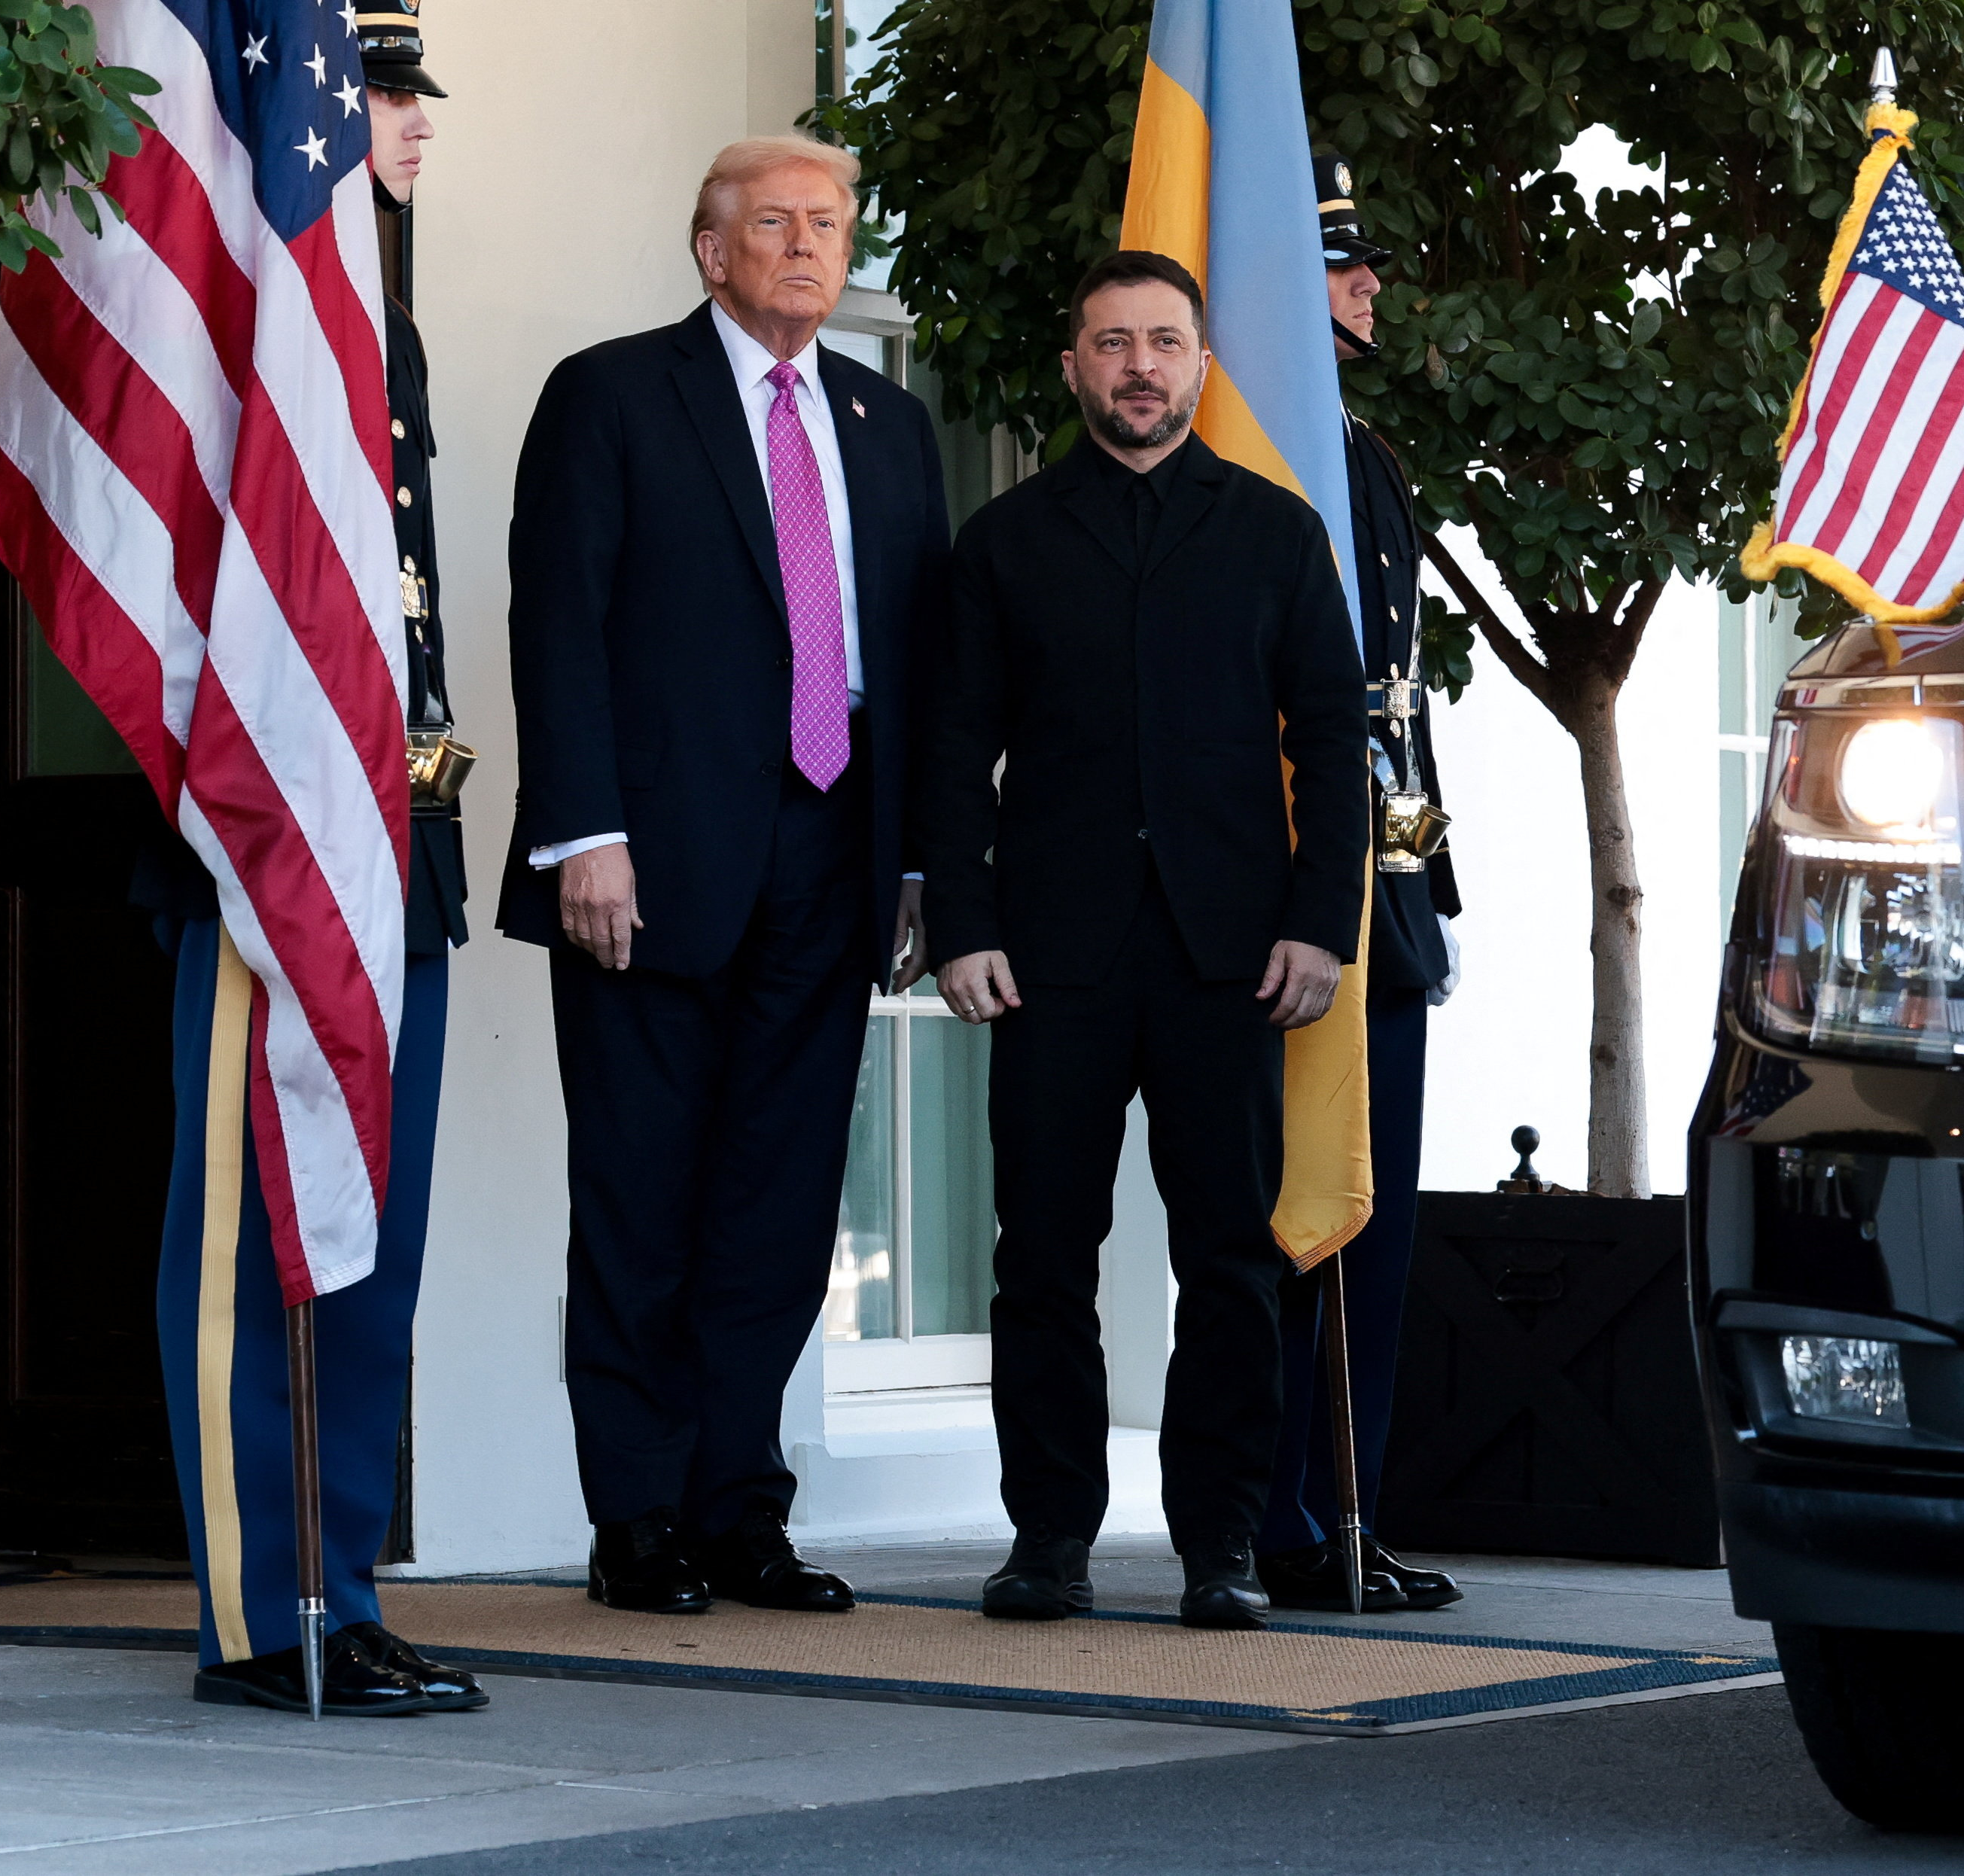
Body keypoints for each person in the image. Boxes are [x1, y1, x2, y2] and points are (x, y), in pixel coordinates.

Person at [497, 134, 947, 1617]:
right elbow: (558, 620)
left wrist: (917, 868)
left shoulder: (888, 425)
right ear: (709, 248)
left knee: (776, 1202)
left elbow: (918, 669)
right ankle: (637, 1517)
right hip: (647, 864)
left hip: (832, 861)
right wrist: (582, 830)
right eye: (773, 223)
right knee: (639, 1197)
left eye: (827, 224)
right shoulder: (613, 394)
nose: (806, 246)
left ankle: (739, 1505)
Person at [923, 251, 1369, 1631]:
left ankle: (1220, 1546)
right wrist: (961, 922)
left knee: (1228, 1261)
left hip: (1229, 956)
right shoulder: (1003, 541)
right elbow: (952, 753)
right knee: (1040, 1258)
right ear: (1073, 369)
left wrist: (1319, 925)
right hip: (1048, 956)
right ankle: (1048, 1539)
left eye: (1163, 342)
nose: (1138, 367)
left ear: (1200, 365)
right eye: (1110, 342)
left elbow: (1336, 746)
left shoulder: (1278, 533)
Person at [152, 2, 484, 1714]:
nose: (408, 121)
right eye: (377, 90)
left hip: (389, 832)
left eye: (414, 94)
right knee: (253, 1228)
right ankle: (264, 1607)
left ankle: (339, 1581)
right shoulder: (249, 310)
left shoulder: (380, 333)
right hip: (265, 833)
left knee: (374, 1230)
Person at [1253, 156, 1464, 1616]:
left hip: (1380, 897)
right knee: (1281, 1223)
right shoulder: (1255, 464)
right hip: (1278, 896)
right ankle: (1270, 1515)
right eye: (1340, 267)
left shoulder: (1367, 459)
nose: (1369, 282)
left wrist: (1428, 892)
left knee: (1372, 1223)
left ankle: (1347, 1512)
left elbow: (1397, 703)